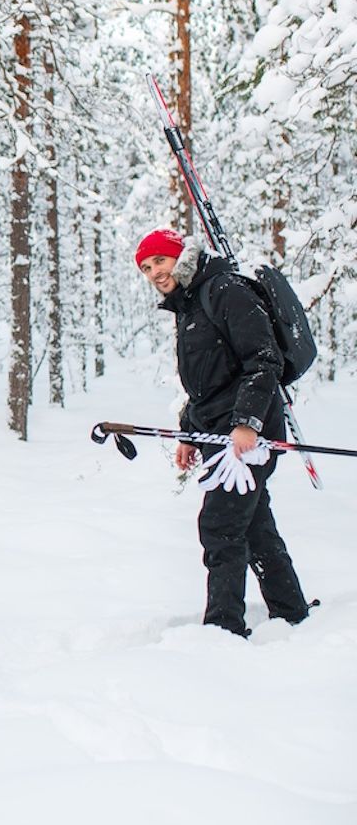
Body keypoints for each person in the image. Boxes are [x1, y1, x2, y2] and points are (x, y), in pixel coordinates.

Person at [135, 226, 310, 637]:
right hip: (220, 435)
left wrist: (247, 423)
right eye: (146, 267)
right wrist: (188, 435)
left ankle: (222, 629)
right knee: (254, 524)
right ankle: (292, 611)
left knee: (220, 525)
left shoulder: (225, 290)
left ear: (181, 256)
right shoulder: (190, 305)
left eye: (160, 260)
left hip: (248, 437)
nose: (154, 272)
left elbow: (263, 359)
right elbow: (207, 386)